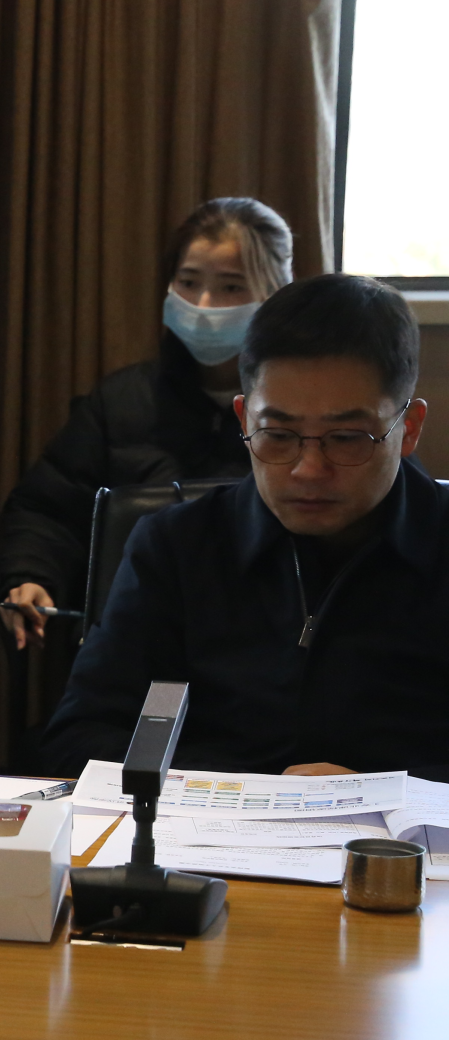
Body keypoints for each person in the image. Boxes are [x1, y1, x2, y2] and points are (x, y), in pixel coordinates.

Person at [41, 273, 446, 778]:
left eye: (346, 438)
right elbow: (80, 737)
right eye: (278, 435)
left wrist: (387, 790)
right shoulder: (178, 549)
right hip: (214, 822)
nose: (308, 470)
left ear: (408, 429)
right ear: (243, 420)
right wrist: (251, 790)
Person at [0, 197, 294, 650]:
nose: (203, 304)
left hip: (269, 643)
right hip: (134, 639)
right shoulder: (121, 401)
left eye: (231, 286)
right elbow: (48, 509)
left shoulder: (302, 412)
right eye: (188, 282)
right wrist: (32, 575)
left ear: (274, 295)